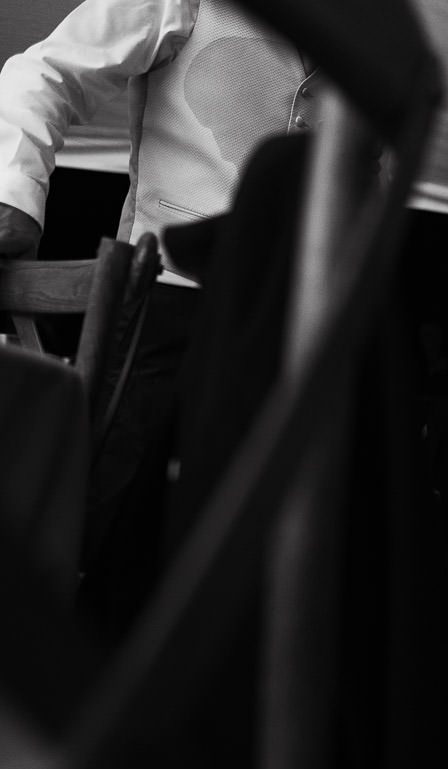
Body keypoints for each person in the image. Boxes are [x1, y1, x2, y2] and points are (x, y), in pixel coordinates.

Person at [0, 0, 319, 636]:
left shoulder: (356, 49)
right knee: (114, 526)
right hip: (173, 305)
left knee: (254, 556)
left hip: (294, 330)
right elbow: (45, 72)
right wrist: (13, 205)